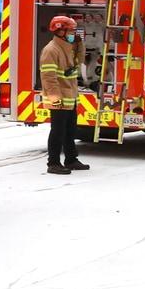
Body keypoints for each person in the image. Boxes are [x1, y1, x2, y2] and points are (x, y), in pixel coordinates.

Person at [40, 16, 89, 175]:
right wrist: (55, 99)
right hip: (59, 99)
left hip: (70, 97)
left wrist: (79, 44)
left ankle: (71, 159)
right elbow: (48, 77)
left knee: (70, 130)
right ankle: (53, 163)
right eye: (71, 30)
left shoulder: (68, 46)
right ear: (60, 31)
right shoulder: (51, 50)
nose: (73, 33)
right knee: (57, 131)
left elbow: (79, 61)